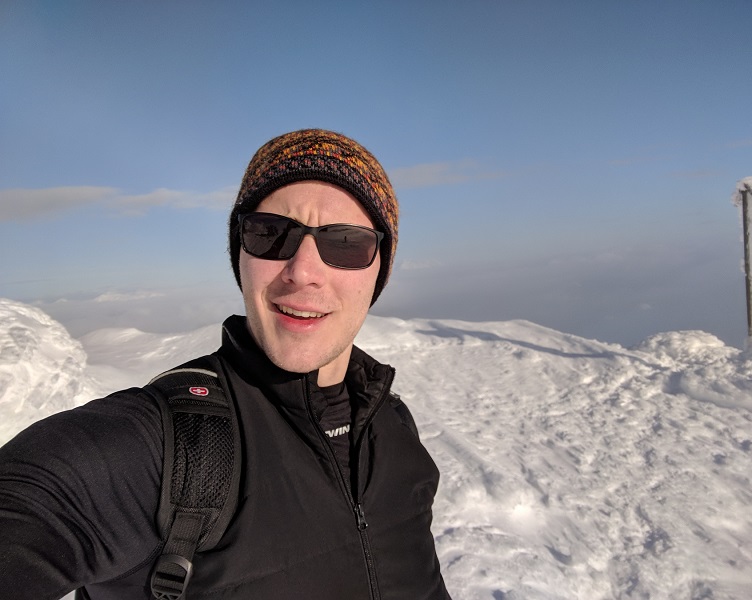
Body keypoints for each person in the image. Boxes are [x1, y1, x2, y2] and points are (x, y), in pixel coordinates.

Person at [0, 129, 451, 599]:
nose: (302, 272)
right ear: (241, 253)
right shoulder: (165, 446)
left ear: (379, 269)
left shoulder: (393, 426)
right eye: (270, 233)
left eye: (345, 242)